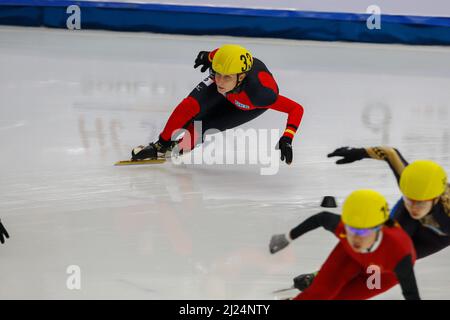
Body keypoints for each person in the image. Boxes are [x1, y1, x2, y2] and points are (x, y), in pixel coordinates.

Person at [276, 146, 449, 291]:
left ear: (435, 198)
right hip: (408, 222)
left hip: (438, 236)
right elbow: (391, 154)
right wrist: (358, 152)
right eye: (409, 199)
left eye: (419, 203)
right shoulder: (410, 182)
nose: (413, 207)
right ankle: (320, 275)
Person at [131, 44, 304, 165]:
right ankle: (162, 145)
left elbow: (296, 108)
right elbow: (217, 54)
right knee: (189, 107)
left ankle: (182, 147)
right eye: (216, 73)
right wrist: (207, 57)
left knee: (203, 125)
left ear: (241, 77)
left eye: (226, 77)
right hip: (232, 88)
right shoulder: (220, 66)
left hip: (246, 105)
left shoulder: (261, 94)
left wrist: (287, 137)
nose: (220, 81)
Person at [270, 189, 420, 300]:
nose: (356, 238)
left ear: (379, 228)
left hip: (381, 272)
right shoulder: (345, 231)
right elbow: (320, 218)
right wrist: (286, 237)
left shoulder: (399, 253)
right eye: (352, 229)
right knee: (319, 294)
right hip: (351, 255)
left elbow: (411, 294)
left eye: (363, 232)